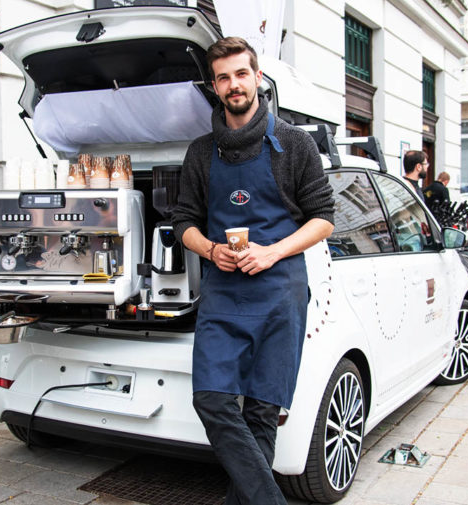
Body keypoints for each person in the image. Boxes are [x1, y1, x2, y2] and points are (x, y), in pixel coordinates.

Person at [172, 37, 335, 505]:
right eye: (223, 77)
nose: (234, 84)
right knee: (211, 400)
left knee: (262, 413)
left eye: (241, 74)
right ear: (214, 87)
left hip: (280, 293)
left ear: (257, 78)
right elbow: (183, 221)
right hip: (224, 293)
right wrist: (209, 249)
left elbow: (324, 218)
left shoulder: (295, 143)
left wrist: (272, 252)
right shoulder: (201, 152)